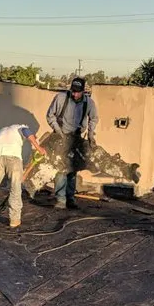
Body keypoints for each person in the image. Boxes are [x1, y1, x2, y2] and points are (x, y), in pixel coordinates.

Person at [45, 77, 98, 209]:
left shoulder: (89, 103)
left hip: (76, 137)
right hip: (61, 136)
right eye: (73, 91)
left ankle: (70, 198)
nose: (75, 94)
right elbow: (50, 115)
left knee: (73, 169)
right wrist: (58, 131)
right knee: (61, 168)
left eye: (78, 92)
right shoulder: (61, 98)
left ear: (83, 91)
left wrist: (91, 135)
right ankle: (60, 200)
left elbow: (94, 118)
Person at [0, 124, 46, 229]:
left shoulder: (1, 130)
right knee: (15, 189)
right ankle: (14, 221)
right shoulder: (21, 127)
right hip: (13, 157)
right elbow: (26, 131)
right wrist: (38, 148)